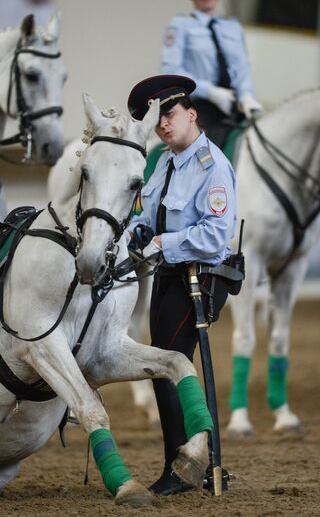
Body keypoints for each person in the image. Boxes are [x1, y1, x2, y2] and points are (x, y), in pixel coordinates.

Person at [127, 74, 237, 495]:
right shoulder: (164, 162)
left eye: (170, 114)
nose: (163, 125)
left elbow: (215, 234)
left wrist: (160, 242)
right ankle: (187, 459)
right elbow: (144, 213)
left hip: (201, 277)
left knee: (168, 366)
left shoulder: (213, 165)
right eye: (158, 120)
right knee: (164, 367)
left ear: (192, 115)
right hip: (168, 274)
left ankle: (182, 468)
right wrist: (138, 232)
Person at [160, 0, 262, 148]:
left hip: (236, 105)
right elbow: (171, 71)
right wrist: (211, 92)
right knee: (204, 150)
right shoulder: (181, 25)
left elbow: (242, 67)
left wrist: (247, 96)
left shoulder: (232, 26)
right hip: (200, 107)